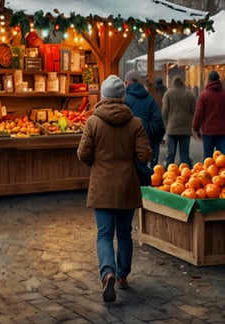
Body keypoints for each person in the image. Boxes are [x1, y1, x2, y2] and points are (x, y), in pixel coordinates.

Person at [77, 75, 152, 303]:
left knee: (104, 234)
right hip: (127, 186)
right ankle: (122, 276)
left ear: (103, 96)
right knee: (125, 233)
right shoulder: (135, 123)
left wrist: (97, 163)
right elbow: (145, 154)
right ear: (122, 96)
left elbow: (83, 154)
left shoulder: (93, 122)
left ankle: (107, 272)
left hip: (102, 187)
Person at [124, 70, 165, 168]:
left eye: (125, 82)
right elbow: (158, 123)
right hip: (148, 145)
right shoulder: (151, 100)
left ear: (129, 82)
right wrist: (154, 138)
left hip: (128, 146)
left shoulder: (124, 100)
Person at [162, 76, 196, 167]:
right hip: (185, 129)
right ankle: (186, 176)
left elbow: (164, 112)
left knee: (170, 154)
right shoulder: (189, 94)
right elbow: (194, 110)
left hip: (172, 129)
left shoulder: (168, 94)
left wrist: (166, 125)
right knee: (184, 154)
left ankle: (168, 175)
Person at [192, 70, 225, 159]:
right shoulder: (224, 94)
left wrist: (196, 128)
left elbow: (199, 114)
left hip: (208, 131)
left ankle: (207, 173)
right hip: (222, 131)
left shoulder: (204, 95)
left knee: (208, 158)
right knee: (222, 159)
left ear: (208, 80)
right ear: (219, 80)